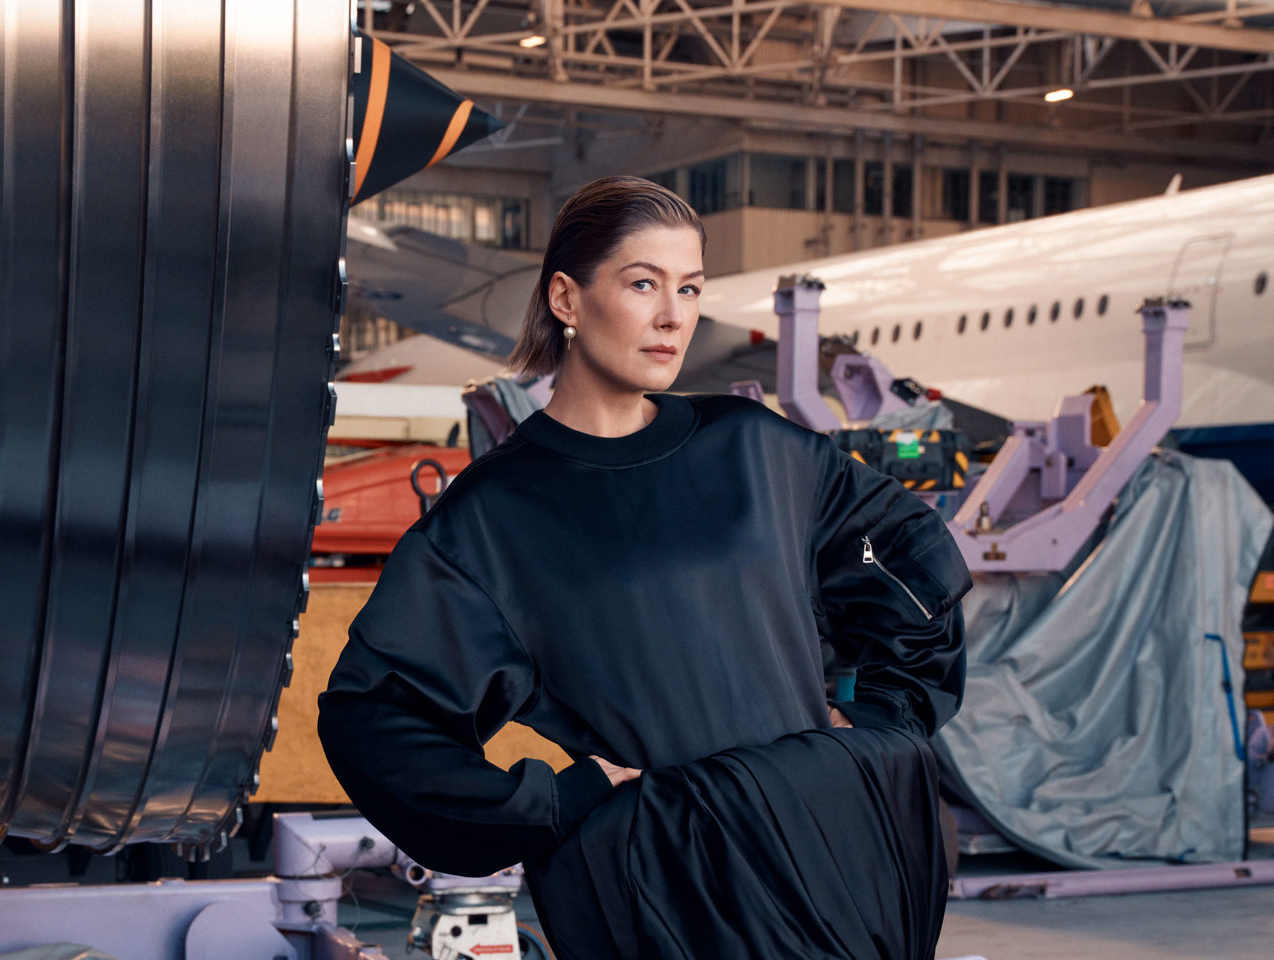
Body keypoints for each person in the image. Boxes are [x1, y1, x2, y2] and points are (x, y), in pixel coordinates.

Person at [318, 176, 971, 959]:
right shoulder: (496, 519)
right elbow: (376, 719)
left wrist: (873, 722)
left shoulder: (754, 450)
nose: (674, 316)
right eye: (642, 284)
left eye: (690, 288)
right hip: (679, 892)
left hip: (833, 854)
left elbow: (900, 555)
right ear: (566, 298)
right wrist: (557, 799)